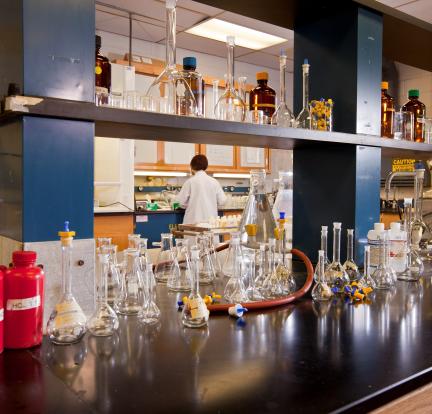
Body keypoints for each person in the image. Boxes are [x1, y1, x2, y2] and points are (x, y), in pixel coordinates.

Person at [175, 154, 226, 224]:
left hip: (193, 223)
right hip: (210, 223)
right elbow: (223, 201)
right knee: (209, 234)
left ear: (192, 167)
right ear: (206, 166)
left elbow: (180, 202)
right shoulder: (214, 182)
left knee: (194, 234)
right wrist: (211, 204)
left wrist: (190, 204)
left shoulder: (190, 182)